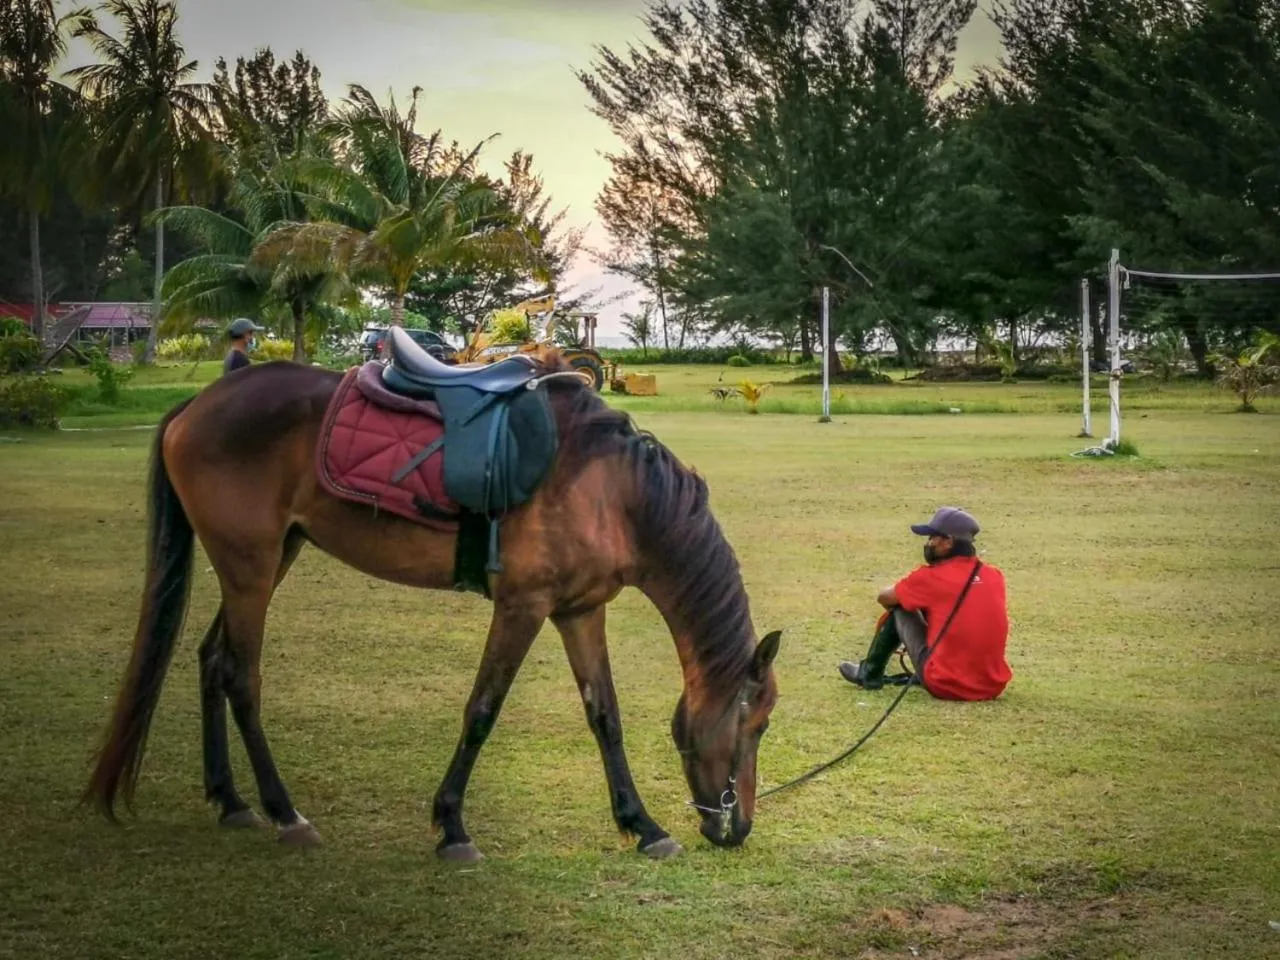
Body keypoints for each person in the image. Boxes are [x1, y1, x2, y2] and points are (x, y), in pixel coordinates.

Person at [838, 507, 1011, 701]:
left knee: (901, 607)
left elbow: (885, 597)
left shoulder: (930, 577)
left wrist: (916, 611)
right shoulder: (994, 576)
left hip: (947, 685)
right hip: (991, 687)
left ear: (948, 542)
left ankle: (869, 673)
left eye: (932, 537)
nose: (928, 543)